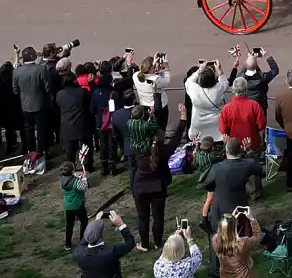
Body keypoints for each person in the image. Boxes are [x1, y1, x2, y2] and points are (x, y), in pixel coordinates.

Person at [131, 102, 188, 252]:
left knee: (142, 217)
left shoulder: (137, 147)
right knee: (158, 216)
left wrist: (147, 117)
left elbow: (139, 129)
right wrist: (183, 118)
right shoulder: (163, 151)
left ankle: (144, 244)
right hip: (158, 186)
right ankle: (157, 242)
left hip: (140, 186)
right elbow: (176, 138)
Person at [200, 137, 262, 233]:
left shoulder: (217, 168)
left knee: (220, 234)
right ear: (241, 149)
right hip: (239, 205)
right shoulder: (248, 164)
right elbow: (260, 169)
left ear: (226, 150)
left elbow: (205, 184)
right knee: (240, 233)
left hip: (220, 207)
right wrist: (249, 151)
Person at [72, 211, 135, 278]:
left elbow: (86, 239)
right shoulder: (110, 252)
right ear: (101, 235)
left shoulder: (77, 252)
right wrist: (121, 224)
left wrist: (95, 224)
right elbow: (130, 243)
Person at [57, 70, 95, 169]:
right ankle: (87, 166)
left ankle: (70, 168)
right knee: (86, 149)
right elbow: (89, 103)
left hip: (67, 125)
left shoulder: (59, 95)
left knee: (70, 151)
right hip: (82, 124)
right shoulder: (82, 92)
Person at [227, 47, 279, 117]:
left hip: (245, 108)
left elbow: (245, 69)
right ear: (256, 66)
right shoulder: (263, 78)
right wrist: (267, 56)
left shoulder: (240, 78)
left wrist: (237, 66)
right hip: (260, 106)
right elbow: (275, 70)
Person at [218, 76, 266, 153]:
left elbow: (223, 129)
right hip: (251, 144)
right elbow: (261, 125)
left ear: (233, 90)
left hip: (233, 146)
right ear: (246, 89)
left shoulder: (226, 108)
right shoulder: (255, 105)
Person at [185, 61, 229, 144]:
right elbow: (225, 81)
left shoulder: (194, 89)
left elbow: (188, 81)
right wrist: (219, 70)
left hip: (199, 128)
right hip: (217, 129)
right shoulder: (218, 89)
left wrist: (199, 70)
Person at [212, 209, 263, 278]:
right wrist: (252, 218)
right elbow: (258, 237)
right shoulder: (242, 243)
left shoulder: (215, 240)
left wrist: (231, 221)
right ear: (235, 227)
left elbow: (224, 231)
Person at [60, 156, 89, 250]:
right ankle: (83, 240)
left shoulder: (62, 181)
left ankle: (67, 244)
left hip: (68, 207)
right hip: (78, 205)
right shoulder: (77, 182)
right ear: (72, 171)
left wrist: (77, 176)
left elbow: (71, 178)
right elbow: (84, 187)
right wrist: (84, 178)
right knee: (84, 221)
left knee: (69, 225)